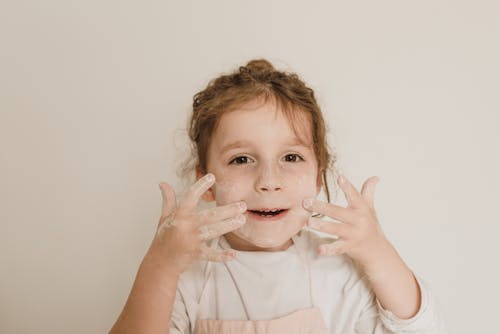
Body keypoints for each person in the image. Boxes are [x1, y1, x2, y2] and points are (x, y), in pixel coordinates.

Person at [110, 59, 447, 333]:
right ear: (206, 184)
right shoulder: (188, 275)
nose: (269, 182)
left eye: (291, 158)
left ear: (318, 176)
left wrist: (378, 252)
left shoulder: (339, 269)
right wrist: (160, 267)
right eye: (242, 159)